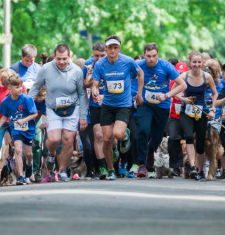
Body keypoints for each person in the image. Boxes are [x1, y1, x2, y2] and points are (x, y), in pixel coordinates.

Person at [28, 44, 88, 182]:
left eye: (64, 59)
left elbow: (82, 94)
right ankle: (51, 153)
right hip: (53, 109)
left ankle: (62, 171)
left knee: (68, 141)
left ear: (69, 57)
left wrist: (83, 116)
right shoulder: (46, 69)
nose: (62, 62)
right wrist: (27, 103)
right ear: (54, 57)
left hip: (72, 108)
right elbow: (36, 86)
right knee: (54, 139)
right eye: (59, 59)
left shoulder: (76, 71)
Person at [91, 36, 144, 180]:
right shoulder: (100, 64)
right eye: (110, 47)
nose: (113, 50)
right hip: (108, 104)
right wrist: (95, 90)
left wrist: (139, 94)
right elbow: (95, 83)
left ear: (119, 49)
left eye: (115, 47)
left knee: (117, 134)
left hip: (124, 104)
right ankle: (110, 170)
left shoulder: (127, 61)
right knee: (107, 139)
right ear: (106, 49)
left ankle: (124, 135)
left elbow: (140, 73)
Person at [135, 43, 185, 178]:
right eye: (148, 56)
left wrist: (166, 95)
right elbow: (128, 79)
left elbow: (182, 84)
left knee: (157, 137)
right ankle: (141, 164)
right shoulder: (138, 65)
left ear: (158, 54)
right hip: (145, 104)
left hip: (162, 106)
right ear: (144, 55)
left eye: (154, 56)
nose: (151, 59)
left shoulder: (166, 66)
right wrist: (137, 95)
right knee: (143, 130)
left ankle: (150, 151)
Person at [177, 50, 217, 180]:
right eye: (194, 62)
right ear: (190, 62)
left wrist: (212, 110)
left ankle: (200, 171)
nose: (197, 64)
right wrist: (183, 99)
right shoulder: (183, 76)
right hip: (186, 112)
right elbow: (173, 92)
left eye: (199, 62)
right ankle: (193, 167)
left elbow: (215, 94)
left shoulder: (207, 77)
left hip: (201, 112)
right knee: (189, 136)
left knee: (200, 144)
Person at [0, 75, 38, 185]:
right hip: (16, 129)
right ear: (9, 88)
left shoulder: (27, 99)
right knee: (17, 150)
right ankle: (21, 176)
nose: (20, 89)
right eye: (17, 87)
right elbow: (4, 116)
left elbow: (35, 114)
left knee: (28, 153)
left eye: (20, 87)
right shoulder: (5, 102)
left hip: (28, 129)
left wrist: (24, 120)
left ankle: (29, 164)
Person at [0, 69, 25, 187]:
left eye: (4, 80)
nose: (1, 82)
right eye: (1, 79)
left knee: (18, 147)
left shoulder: (20, 86)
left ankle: (21, 174)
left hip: (15, 119)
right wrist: (4, 108)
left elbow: (24, 103)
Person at [83, 42, 107, 180]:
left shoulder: (112, 63)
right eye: (96, 56)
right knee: (98, 136)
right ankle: (101, 168)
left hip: (111, 103)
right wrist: (91, 72)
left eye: (101, 55)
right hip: (95, 104)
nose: (98, 59)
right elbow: (85, 84)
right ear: (92, 54)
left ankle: (112, 163)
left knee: (111, 138)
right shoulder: (88, 63)